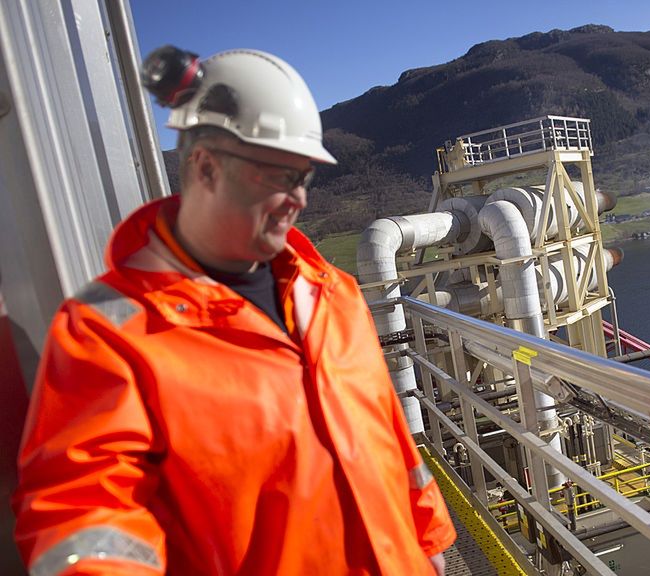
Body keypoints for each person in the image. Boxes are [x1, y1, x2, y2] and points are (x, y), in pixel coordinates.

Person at [12, 47, 454, 575]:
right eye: (278, 175)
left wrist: (430, 541)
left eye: (304, 176)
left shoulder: (334, 294)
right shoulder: (109, 331)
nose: (298, 199)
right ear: (205, 166)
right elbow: (86, 515)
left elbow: (390, 437)